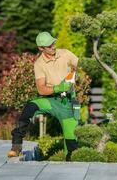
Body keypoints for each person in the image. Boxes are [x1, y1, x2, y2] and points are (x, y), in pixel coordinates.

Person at [8, 31, 79, 161]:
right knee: (30, 107)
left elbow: (80, 65)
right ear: (41, 48)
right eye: (49, 46)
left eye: (53, 43)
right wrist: (58, 88)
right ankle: (16, 145)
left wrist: (75, 73)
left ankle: (70, 160)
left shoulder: (65, 53)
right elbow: (41, 89)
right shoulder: (39, 64)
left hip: (67, 102)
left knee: (72, 142)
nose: (53, 47)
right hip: (51, 100)